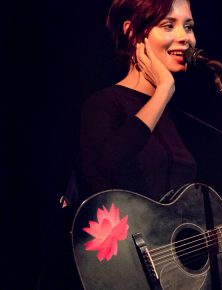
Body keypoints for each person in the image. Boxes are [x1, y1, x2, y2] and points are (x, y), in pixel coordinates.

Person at [38, 0, 197, 289]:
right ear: (133, 33)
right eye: (168, 25)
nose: (185, 37)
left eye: (189, 26)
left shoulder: (174, 117)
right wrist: (163, 89)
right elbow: (107, 167)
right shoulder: (104, 104)